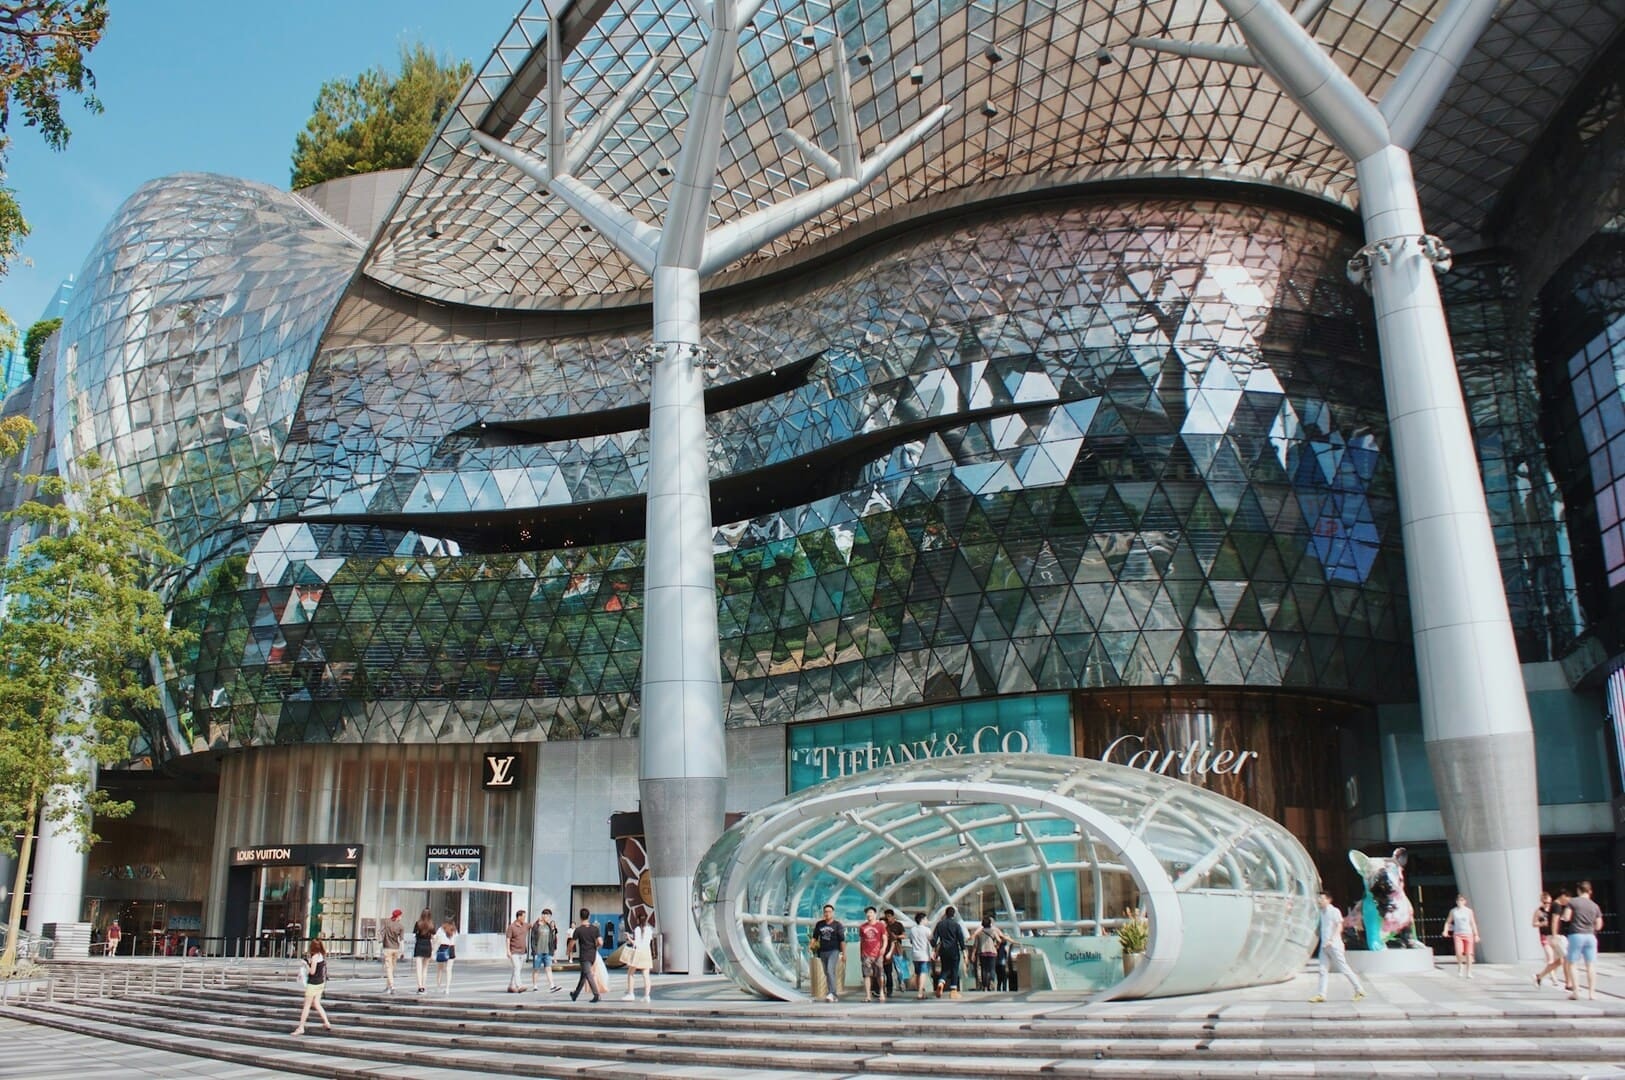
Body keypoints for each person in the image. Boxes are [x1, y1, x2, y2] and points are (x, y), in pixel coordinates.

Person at [1309, 891, 1365, 1003]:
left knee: (1343, 968)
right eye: (1318, 898)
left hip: (1334, 945)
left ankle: (1359, 990)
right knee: (1322, 970)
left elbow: (1339, 926)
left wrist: (1331, 940)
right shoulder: (1321, 912)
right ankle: (1321, 994)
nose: (1319, 900)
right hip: (1324, 946)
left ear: (1328, 900)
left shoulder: (1334, 911)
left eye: (1322, 898)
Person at [1562, 881, 1604, 1001]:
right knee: (1590, 965)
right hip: (1590, 936)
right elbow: (1599, 925)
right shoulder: (1595, 905)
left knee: (1573, 964)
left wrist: (1564, 918)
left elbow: (1567, 917)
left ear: (1578, 890)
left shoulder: (1573, 902)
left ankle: (1576, 992)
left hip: (1576, 935)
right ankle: (1592, 993)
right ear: (1590, 891)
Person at [290, 937, 333, 1036]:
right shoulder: (321, 956)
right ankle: (326, 1022)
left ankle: (301, 1027)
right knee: (316, 1003)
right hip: (321, 983)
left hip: (313, 983)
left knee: (307, 1005)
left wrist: (306, 964)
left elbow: (312, 972)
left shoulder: (314, 957)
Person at [1535, 887, 1573, 991]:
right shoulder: (1557, 906)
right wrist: (1555, 935)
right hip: (1556, 936)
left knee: (1560, 961)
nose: (1568, 901)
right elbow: (1554, 921)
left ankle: (1539, 976)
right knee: (1566, 958)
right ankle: (1568, 983)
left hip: (1553, 936)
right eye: (1568, 898)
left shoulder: (1555, 906)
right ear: (1563, 896)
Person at [930, 906, 967, 999]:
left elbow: (934, 939)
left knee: (945, 968)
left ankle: (941, 982)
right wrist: (964, 951)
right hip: (954, 949)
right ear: (953, 914)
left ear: (945, 914)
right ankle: (953, 991)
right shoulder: (956, 925)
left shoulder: (940, 924)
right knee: (954, 969)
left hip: (943, 950)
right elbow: (960, 939)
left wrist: (933, 949)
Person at [812, 903, 845, 1003]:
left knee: (830, 970)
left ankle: (832, 993)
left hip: (834, 950)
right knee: (827, 972)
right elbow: (815, 937)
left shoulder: (837, 925)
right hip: (823, 951)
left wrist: (844, 953)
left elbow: (842, 940)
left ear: (833, 913)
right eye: (825, 912)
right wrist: (811, 945)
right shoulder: (819, 924)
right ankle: (832, 993)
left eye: (829, 912)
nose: (827, 913)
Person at [569, 908, 603, 1002]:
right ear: (589, 916)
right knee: (584, 975)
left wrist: (568, 951)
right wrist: (595, 947)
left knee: (588, 974)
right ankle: (575, 994)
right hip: (593, 955)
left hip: (584, 956)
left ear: (580, 917)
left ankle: (596, 995)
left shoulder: (578, 930)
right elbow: (600, 942)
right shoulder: (595, 929)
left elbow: (572, 943)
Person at [1443, 894, 1480, 979]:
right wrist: (1445, 930)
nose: (1460, 902)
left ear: (1465, 902)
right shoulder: (1453, 911)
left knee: (1469, 953)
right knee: (1459, 952)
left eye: (1462, 900)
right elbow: (1448, 922)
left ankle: (1469, 972)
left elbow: (1472, 923)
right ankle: (1460, 966)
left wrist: (1476, 934)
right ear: (1456, 902)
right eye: (1458, 900)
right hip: (1458, 934)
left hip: (1468, 933)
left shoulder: (1469, 911)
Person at [623, 909, 655, 1002]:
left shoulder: (637, 929)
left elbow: (636, 943)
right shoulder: (649, 929)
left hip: (638, 952)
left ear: (638, 920)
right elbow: (648, 941)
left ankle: (631, 993)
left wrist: (629, 938)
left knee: (630, 973)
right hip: (646, 952)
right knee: (646, 975)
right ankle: (647, 996)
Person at [858, 907, 888, 1002]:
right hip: (866, 954)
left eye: (870, 912)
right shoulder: (862, 927)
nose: (869, 914)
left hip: (877, 953)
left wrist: (883, 948)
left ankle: (881, 992)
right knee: (866, 974)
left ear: (875, 914)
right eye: (867, 913)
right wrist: (861, 953)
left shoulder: (880, 926)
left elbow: (884, 939)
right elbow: (862, 941)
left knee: (879, 974)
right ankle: (868, 995)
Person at [531, 909, 561, 992]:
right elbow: (533, 939)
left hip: (547, 951)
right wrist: (534, 951)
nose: (548, 918)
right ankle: (535, 985)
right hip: (538, 951)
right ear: (543, 915)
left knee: (548, 968)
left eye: (549, 916)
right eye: (547, 916)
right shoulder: (536, 926)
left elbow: (551, 939)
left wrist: (552, 951)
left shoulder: (548, 926)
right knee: (536, 969)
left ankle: (552, 985)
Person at [1532, 892, 1559, 987]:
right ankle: (1553, 977)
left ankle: (1542, 975)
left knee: (1557, 958)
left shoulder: (1553, 910)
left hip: (1553, 936)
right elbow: (1534, 923)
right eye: (1546, 902)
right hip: (1544, 935)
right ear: (1542, 902)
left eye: (1549, 902)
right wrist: (1542, 924)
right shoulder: (1539, 911)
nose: (1548, 904)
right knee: (1550, 956)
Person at [972, 916, 1005, 991]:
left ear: (982, 924)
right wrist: (997, 946)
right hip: (992, 952)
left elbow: (975, 945)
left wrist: (973, 954)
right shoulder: (993, 931)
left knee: (984, 969)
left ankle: (985, 986)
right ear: (990, 924)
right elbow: (999, 940)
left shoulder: (979, 933)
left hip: (982, 952)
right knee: (992, 969)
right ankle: (991, 983)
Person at [906, 912, 932, 999]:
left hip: (915, 954)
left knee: (917, 973)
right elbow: (931, 940)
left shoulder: (913, 930)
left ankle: (920, 991)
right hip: (924, 955)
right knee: (923, 973)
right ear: (923, 919)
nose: (927, 921)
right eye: (926, 919)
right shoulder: (927, 930)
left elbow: (911, 941)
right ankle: (920, 992)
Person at [882, 909, 906, 1000]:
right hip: (887, 951)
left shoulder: (898, 925)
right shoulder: (885, 925)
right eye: (886, 916)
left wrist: (897, 937)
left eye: (889, 916)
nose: (887, 918)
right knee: (888, 971)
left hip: (897, 949)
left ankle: (901, 981)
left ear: (893, 916)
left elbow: (904, 935)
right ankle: (888, 989)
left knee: (899, 969)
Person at [380, 909, 404, 994]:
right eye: (400, 915)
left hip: (387, 947)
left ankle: (391, 986)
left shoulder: (386, 922)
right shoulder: (400, 926)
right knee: (392, 968)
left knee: (388, 968)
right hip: (396, 948)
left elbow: (381, 931)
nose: (401, 917)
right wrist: (402, 951)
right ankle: (388, 986)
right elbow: (401, 940)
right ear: (398, 916)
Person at [411, 909, 435, 994]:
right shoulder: (431, 925)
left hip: (419, 945)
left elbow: (414, 935)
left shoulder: (418, 923)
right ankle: (424, 986)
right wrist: (433, 950)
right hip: (428, 946)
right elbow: (433, 937)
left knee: (418, 968)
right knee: (425, 968)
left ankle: (420, 986)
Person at [506, 909, 530, 993]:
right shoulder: (511, 927)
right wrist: (508, 951)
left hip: (523, 951)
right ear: (519, 917)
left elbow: (533, 926)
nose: (524, 918)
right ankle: (519, 986)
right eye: (523, 917)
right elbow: (508, 939)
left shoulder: (525, 925)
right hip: (514, 951)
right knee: (517, 967)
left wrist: (540, 920)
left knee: (517, 969)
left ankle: (511, 986)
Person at [433, 917, 458, 994]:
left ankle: (438, 986)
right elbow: (455, 941)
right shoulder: (454, 930)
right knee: (449, 969)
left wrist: (434, 951)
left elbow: (437, 940)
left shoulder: (441, 929)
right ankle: (447, 988)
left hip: (443, 948)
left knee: (440, 969)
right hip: (451, 948)